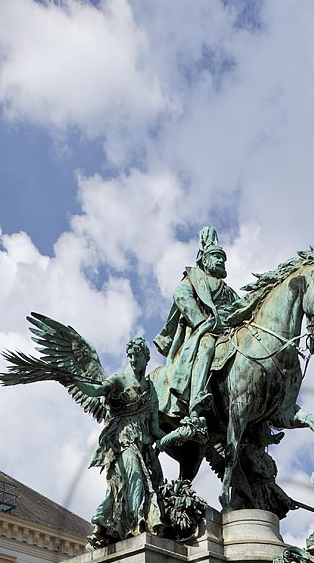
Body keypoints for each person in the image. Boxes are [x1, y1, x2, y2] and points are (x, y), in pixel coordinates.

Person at [153, 226, 241, 421]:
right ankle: (195, 398)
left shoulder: (228, 291)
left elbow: (241, 307)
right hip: (203, 331)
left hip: (228, 332)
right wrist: (203, 322)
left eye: (223, 258)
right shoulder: (193, 278)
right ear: (205, 259)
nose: (221, 261)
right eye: (217, 257)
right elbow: (181, 295)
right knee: (207, 345)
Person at [86, 337, 167, 546]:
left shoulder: (151, 391)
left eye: (136, 356)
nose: (132, 359)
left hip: (144, 447)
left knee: (145, 485)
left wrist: (181, 433)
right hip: (122, 441)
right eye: (129, 355)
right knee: (136, 480)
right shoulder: (119, 380)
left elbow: (155, 429)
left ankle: (121, 525)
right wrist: (67, 379)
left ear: (145, 358)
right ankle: (136, 526)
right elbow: (95, 391)